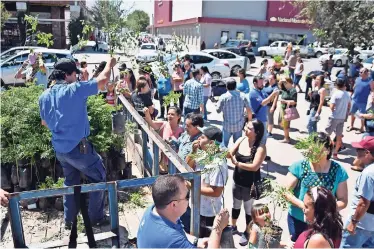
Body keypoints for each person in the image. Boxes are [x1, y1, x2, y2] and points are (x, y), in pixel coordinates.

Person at [39, 57, 116, 228]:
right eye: (75, 74)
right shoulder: (74, 89)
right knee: (98, 177)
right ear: (67, 75)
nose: (77, 77)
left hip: (60, 149)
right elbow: (102, 81)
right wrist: (110, 64)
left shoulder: (44, 96)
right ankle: (95, 218)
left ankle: (70, 220)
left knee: (70, 182)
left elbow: (44, 123)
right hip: (78, 148)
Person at [284, 132, 348, 242]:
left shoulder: (338, 170)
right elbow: (285, 191)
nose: (312, 152)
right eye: (311, 148)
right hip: (299, 219)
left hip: (325, 222)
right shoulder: (300, 166)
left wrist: (324, 211)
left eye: (317, 149)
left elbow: (343, 200)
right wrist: (304, 206)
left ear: (327, 150)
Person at [137, 175, 230, 248]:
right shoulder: (172, 239)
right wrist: (218, 228)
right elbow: (174, 240)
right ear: (174, 204)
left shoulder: (154, 210)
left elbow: (178, 231)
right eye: (187, 196)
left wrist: (196, 241)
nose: (189, 199)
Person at [185, 126, 228, 238]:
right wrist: (193, 151)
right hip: (195, 205)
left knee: (204, 241)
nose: (199, 138)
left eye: (203, 137)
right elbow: (187, 167)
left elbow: (216, 192)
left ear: (212, 143)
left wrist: (193, 187)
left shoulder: (218, 163)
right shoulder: (203, 153)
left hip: (208, 214)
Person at [227, 120, 266, 245]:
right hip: (236, 181)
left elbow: (255, 166)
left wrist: (237, 163)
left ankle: (247, 232)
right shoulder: (241, 140)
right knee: (235, 205)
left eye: (249, 128)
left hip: (250, 185)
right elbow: (230, 153)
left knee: (249, 210)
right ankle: (233, 226)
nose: (245, 129)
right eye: (246, 126)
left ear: (257, 132)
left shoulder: (261, 147)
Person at [340, 136, 374, 248]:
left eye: (359, 150)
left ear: (367, 153)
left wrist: (353, 222)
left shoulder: (369, 173)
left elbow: (363, 203)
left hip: (361, 225)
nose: (356, 152)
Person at [144, 106, 183, 174]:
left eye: (172, 114)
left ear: (178, 116)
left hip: (176, 164)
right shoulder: (164, 125)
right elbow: (150, 122)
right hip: (163, 164)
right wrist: (147, 113)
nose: (169, 116)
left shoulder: (182, 130)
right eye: (168, 114)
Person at [216, 78, 252, 148]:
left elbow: (218, 111)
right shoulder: (242, 96)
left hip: (227, 125)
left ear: (226, 87)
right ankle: (234, 157)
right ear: (236, 86)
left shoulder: (223, 97)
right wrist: (249, 121)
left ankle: (223, 157)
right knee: (237, 145)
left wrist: (217, 104)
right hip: (239, 126)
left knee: (223, 145)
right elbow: (249, 109)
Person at [249, 76, 280, 146]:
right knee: (258, 141)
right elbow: (263, 103)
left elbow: (270, 100)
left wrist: (274, 96)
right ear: (255, 84)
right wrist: (273, 94)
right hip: (257, 121)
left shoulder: (262, 91)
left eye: (262, 82)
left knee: (263, 140)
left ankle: (261, 155)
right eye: (260, 83)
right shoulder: (253, 93)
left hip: (263, 119)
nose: (262, 84)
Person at [325, 79, 351, 159]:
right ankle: (335, 153)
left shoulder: (336, 94)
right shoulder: (347, 94)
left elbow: (332, 107)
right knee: (339, 136)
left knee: (326, 134)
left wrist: (330, 105)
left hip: (334, 117)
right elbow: (349, 106)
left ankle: (325, 151)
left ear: (336, 85)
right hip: (342, 117)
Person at [347, 68, 372, 134]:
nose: (359, 73)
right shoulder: (357, 79)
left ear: (366, 73)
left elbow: (372, 91)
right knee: (352, 113)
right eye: (359, 72)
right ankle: (351, 125)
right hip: (354, 100)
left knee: (362, 115)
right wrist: (351, 95)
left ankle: (362, 128)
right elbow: (354, 87)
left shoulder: (370, 81)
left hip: (363, 101)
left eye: (361, 72)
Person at [279, 77, 298, 143]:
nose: (284, 84)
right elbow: (279, 85)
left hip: (288, 109)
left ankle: (286, 138)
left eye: (285, 82)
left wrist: (285, 101)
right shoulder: (284, 89)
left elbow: (294, 101)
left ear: (290, 82)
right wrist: (281, 80)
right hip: (283, 108)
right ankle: (287, 136)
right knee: (282, 124)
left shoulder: (293, 90)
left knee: (286, 125)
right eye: (284, 83)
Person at [263, 73, 279, 137]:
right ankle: (266, 130)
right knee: (266, 118)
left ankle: (270, 133)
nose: (270, 80)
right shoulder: (267, 85)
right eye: (269, 79)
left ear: (275, 79)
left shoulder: (275, 88)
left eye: (271, 79)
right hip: (265, 105)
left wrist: (273, 106)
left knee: (270, 119)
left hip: (270, 105)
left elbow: (276, 98)